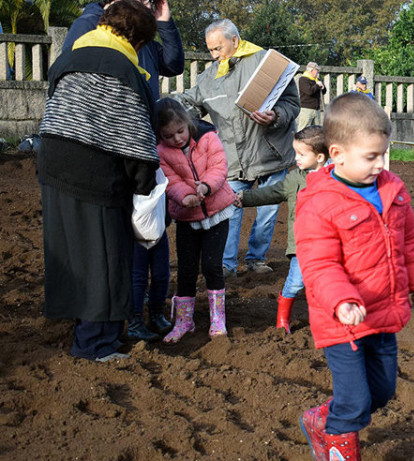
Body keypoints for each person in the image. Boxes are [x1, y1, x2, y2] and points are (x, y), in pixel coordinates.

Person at [295, 93, 414, 461]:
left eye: (384, 156)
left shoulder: (393, 189)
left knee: (383, 392)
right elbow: (319, 264)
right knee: (355, 403)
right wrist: (341, 301)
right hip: (343, 321)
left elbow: (408, 240)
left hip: (384, 313)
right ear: (336, 154)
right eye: (371, 157)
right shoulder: (319, 203)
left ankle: (323, 419)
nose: (380, 166)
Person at [38, 0, 159, 362]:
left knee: (77, 256)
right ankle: (94, 345)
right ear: (137, 39)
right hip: (94, 173)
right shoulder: (123, 68)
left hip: (54, 166)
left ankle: (94, 334)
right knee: (105, 259)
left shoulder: (71, 57)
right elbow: (136, 138)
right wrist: (144, 187)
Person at [63, 0, 185, 341]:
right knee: (125, 245)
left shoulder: (142, 34)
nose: (149, 3)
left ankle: (150, 311)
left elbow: (173, 63)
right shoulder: (89, 26)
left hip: (141, 149)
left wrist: (165, 23)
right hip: (110, 153)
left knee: (152, 235)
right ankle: (122, 318)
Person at [177, 19, 300, 278]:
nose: (214, 55)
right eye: (210, 50)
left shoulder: (267, 63)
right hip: (232, 157)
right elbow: (190, 103)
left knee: (267, 212)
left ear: (235, 40)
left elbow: (292, 103)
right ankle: (227, 264)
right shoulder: (210, 77)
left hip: (271, 153)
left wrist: (276, 115)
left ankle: (256, 259)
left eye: (218, 48)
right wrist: (165, 108)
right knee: (228, 211)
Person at [154, 98, 234, 344]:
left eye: (180, 131)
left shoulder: (209, 138)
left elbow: (219, 167)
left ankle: (217, 319)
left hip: (217, 213)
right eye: (169, 136)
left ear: (188, 124)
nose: (177, 139)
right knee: (186, 269)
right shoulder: (161, 153)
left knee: (212, 266)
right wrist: (185, 196)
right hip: (187, 217)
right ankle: (183, 321)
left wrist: (207, 186)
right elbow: (170, 181)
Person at [234, 125, 327, 333]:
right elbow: (271, 193)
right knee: (295, 283)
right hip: (302, 246)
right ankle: (282, 320)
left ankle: (326, 320)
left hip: (329, 247)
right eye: (296, 153)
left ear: (320, 157)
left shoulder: (337, 179)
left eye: (302, 154)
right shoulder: (295, 179)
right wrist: (245, 198)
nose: (296, 158)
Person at [297, 61, 327, 128]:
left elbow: (324, 92)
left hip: (316, 110)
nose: (318, 72)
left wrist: (323, 87)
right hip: (306, 110)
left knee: (317, 130)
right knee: (303, 130)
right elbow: (309, 91)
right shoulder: (303, 79)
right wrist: (317, 85)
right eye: (317, 70)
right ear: (311, 70)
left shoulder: (317, 79)